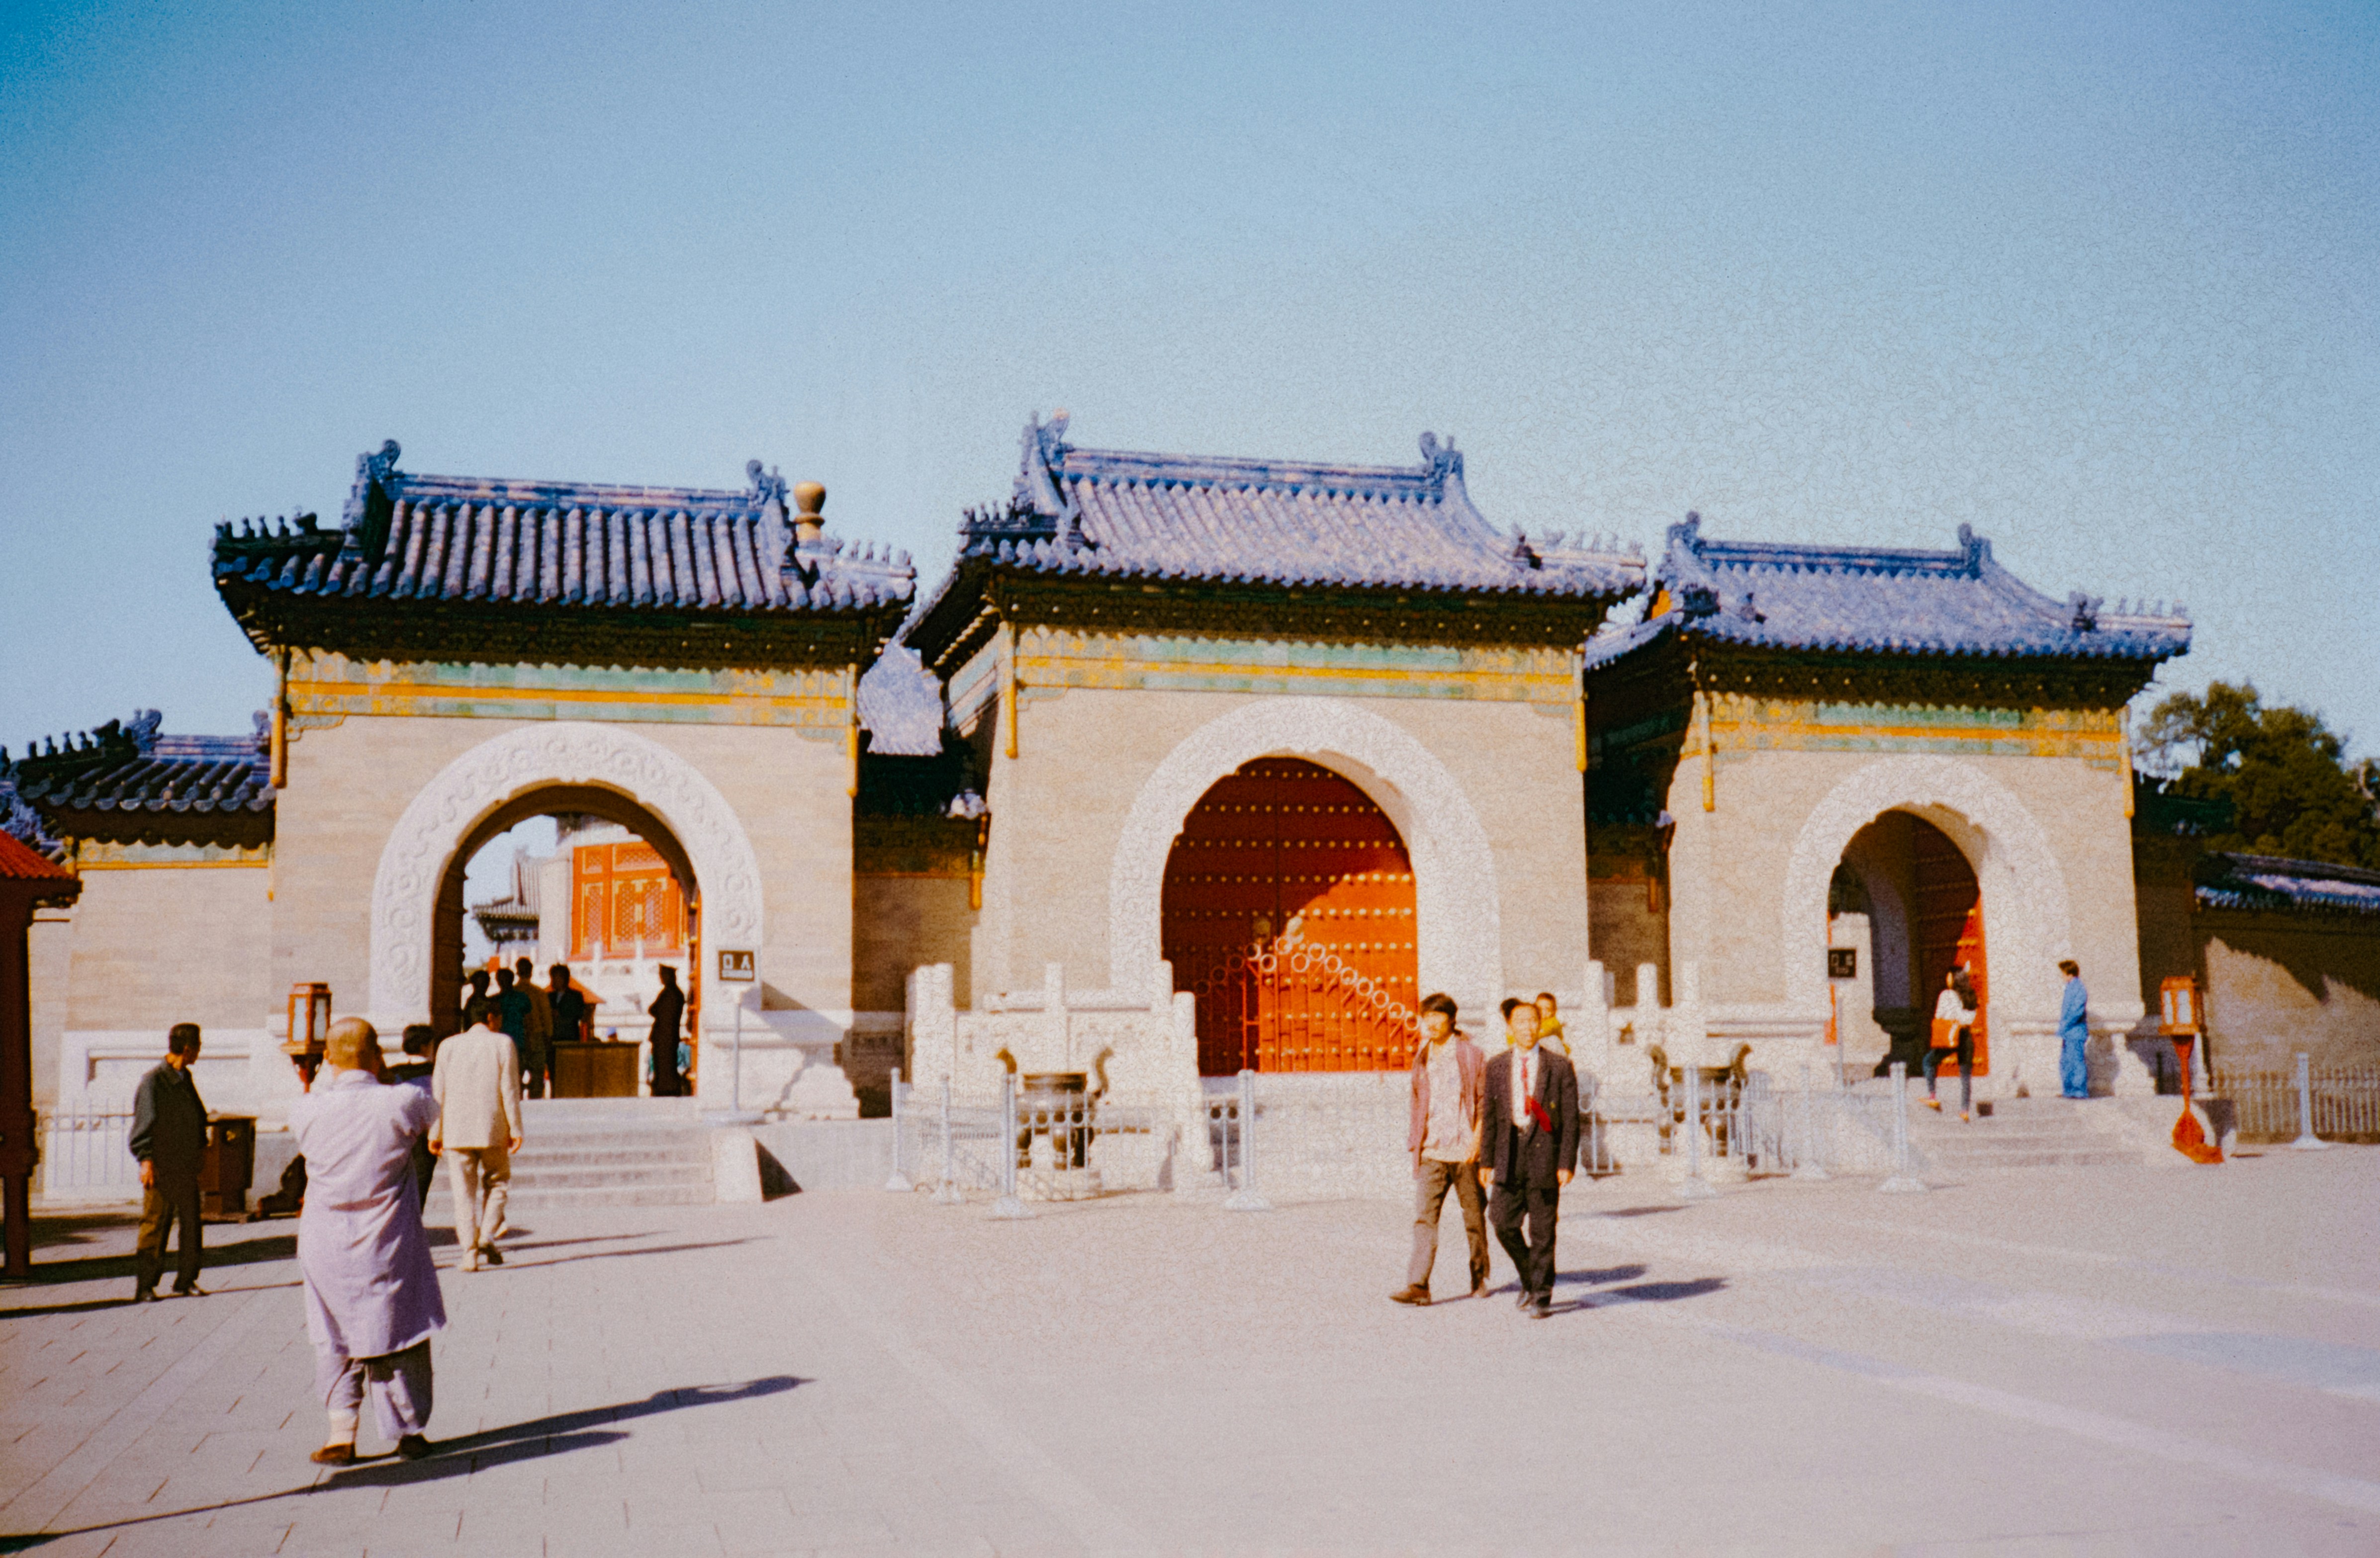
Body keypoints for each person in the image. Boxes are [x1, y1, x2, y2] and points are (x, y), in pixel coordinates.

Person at [287, 1018, 445, 1465]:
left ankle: (342, 1433)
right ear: (377, 1054)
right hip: (387, 1236)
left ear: (328, 1059)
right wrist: (385, 1075)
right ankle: (409, 1431)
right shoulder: (403, 1100)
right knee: (401, 1329)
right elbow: (434, 1116)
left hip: (325, 1240)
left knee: (333, 1333)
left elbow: (318, 1101)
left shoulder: (305, 1109)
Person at [1479, 997, 1580, 1319]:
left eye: (1533, 1021)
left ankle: (1541, 1295)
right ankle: (1529, 1275)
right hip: (1509, 1152)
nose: (1527, 1028)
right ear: (1510, 1027)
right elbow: (1490, 1116)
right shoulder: (1497, 1066)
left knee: (1543, 1230)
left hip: (1545, 1154)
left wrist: (1566, 1163)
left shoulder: (1559, 1066)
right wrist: (1486, 1160)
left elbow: (1571, 1119)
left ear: (1541, 1024)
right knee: (1501, 1220)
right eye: (1520, 1022)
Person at [1391, 993, 1487, 1306]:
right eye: (1427, 1017)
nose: (1431, 1023)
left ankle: (1479, 1276)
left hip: (1465, 1151)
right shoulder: (1423, 1056)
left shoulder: (1472, 1054)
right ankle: (1418, 1285)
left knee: (1474, 1218)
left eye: (1438, 1016)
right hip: (1432, 1151)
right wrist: (1416, 1142)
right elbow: (1417, 1101)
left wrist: (1477, 1141)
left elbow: (1484, 1101)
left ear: (1451, 1019)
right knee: (1424, 1219)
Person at [430, 1003, 522, 1272]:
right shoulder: (503, 1043)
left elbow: (438, 1092)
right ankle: (487, 1236)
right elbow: (510, 1089)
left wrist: (435, 1131)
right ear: (491, 1017)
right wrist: (515, 1128)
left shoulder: (448, 1046)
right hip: (492, 1126)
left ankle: (469, 1253)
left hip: (456, 1129)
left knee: (463, 1195)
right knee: (498, 1183)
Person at [128, 1024, 209, 1301]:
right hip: (162, 1166)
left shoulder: (185, 1078)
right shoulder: (154, 1081)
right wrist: (146, 1160)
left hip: (185, 1165)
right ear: (187, 1049)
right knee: (155, 1225)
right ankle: (145, 1285)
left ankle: (186, 1279)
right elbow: (144, 1125)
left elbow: (197, 1116)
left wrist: (201, 1149)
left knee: (191, 1225)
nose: (199, 1052)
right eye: (198, 1047)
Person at [388, 1025, 439, 1209]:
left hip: (397, 1132)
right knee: (421, 1181)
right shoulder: (435, 1072)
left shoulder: (393, 1072)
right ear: (426, 1046)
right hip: (425, 1134)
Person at [1925, 967, 1978, 1121]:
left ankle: (1932, 1096)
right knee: (1965, 1075)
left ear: (1954, 979)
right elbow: (1971, 1018)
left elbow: (1939, 1015)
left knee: (1928, 1061)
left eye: (1949, 977)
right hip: (1965, 1035)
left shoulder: (1947, 995)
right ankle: (1964, 1110)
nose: (1947, 979)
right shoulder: (1970, 995)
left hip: (1950, 1034)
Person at [513, 956, 553, 1098]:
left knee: (516, 1079)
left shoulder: (513, 993)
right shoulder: (539, 994)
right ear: (531, 972)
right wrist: (548, 1039)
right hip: (537, 1040)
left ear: (518, 972)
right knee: (537, 1080)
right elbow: (547, 1020)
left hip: (517, 1040)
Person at [647, 965, 686, 1097]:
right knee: (665, 1064)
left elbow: (653, 1009)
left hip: (664, 1036)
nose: (661, 978)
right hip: (668, 1036)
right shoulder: (676, 993)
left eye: (663, 975)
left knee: (664, 1064)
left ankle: (665, 1088)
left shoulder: (669, 993)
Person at [2058, 959, 2091, 1100]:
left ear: (2069, 973)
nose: (2062, 976)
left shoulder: (2079, 989)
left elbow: (2076, 1011)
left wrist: (2065, 1025)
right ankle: (2069, 1090)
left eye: (2063, 973)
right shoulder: (2070, 988)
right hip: (2069, 1032)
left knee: (2076, 1062)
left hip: (2076, 1031)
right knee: (2067, 1062)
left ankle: (2079, 1091)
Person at [548, 963, 589, 1047]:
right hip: (553, 1040)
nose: (553, 981)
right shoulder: (549, 997)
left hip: (570, 1039)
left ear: (563, 979)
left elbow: (580, 1015)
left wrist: (561, 1015)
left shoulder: (576, 996)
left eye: (555, 978)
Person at [1533, 991, 1568, 1056]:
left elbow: (1544, 1032)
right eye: (1539, 1008)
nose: (1542, 1012)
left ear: (1553, 1012)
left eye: (1547, 1009)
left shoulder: (1553, 1022)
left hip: (1556, 1053)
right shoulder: (1535, 1021)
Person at [459, 967, 495, 1031]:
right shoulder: (469, 1000)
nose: (482, 987)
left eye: (484, 984)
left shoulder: (491, 1003)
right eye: (479, 984)